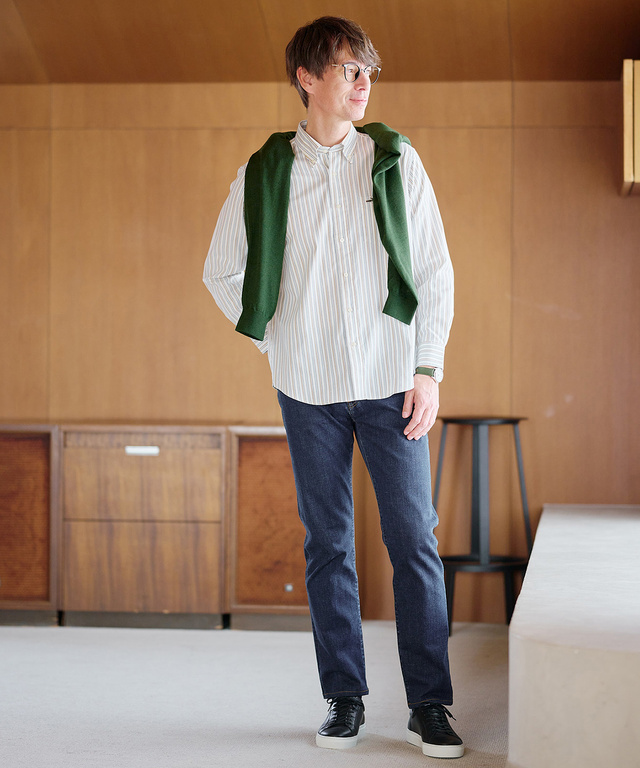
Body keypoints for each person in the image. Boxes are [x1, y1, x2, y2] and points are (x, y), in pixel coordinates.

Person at [203, 15, 463, 760]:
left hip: (391, 382)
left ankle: (430, 705)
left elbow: (435, 269)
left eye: (367, 70)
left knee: (413, 540)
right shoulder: (264, 173)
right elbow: (221, 271)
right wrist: (274, 336)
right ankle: (343, 698)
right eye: (350, 69)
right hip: (307, 387)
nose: (363, 82)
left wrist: (428, 369)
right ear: (307, 78)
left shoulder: (394, 160)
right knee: (328, 545)